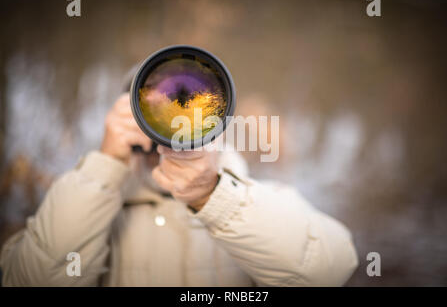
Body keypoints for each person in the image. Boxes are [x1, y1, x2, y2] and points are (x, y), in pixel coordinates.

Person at [0, 93, 358, 286]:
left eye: (188, 109)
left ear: (215, 125)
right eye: (152, 109)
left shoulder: (258, 199)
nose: (173, 122)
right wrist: (104, 165)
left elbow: (328, 270)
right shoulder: (94, 214)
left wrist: (214, 196)